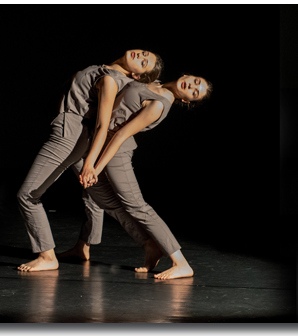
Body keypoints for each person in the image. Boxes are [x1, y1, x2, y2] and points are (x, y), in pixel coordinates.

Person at [16, 50, 163, 272]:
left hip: (70, 134)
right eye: (143, 53)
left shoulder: (110, 80)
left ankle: (47, 256)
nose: (139, 56)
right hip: (76, 134)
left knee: (28, 195)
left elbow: (102, 126)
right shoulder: (105, 71)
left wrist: (90, 163)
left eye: (144, 62)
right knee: (99, 197)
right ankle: (138, 243)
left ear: (138, 77)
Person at [60, 74, 212, 280]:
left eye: (195, 92)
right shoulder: (154, 84)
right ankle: (144, 246)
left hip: (116, 152)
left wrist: (96, 167)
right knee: (98, 196)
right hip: (97, 141)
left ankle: (181, 262)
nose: (192, 86)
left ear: (186, 100)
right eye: (195, 82)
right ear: (187, 75)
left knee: (136, 205)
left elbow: (121, 135)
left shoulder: (159, 105)